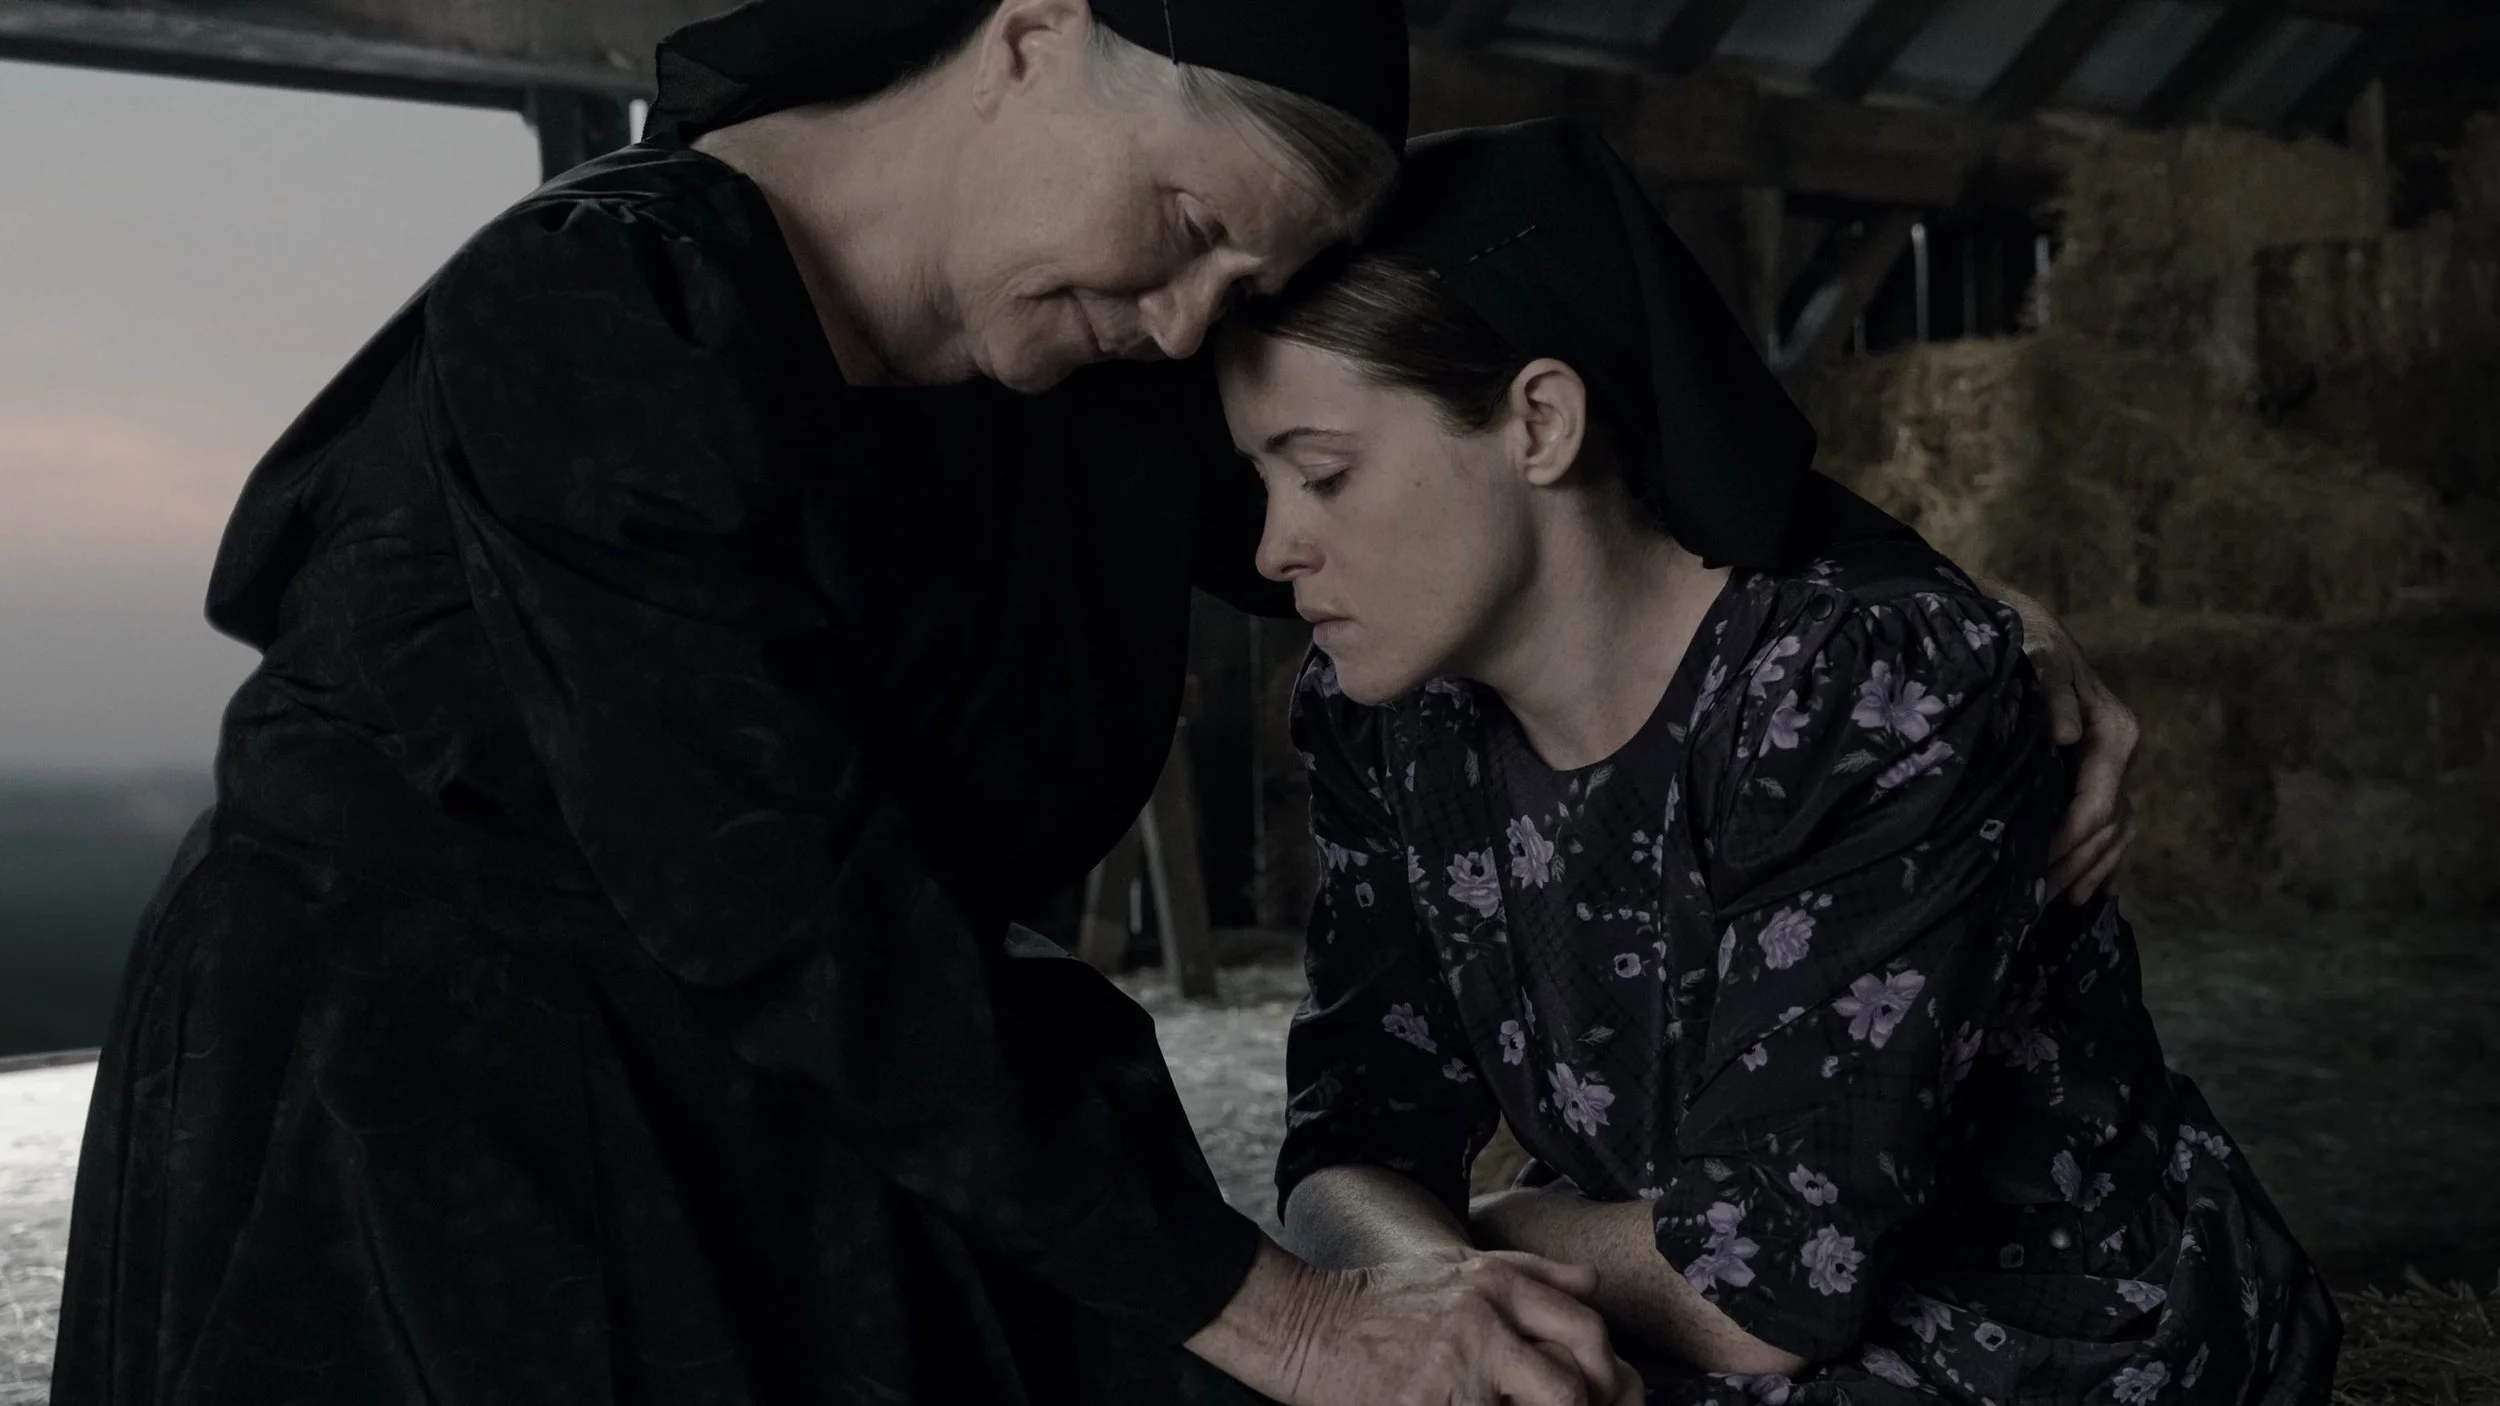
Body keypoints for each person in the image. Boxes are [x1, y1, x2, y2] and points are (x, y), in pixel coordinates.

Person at [49, 4, 1658, 1402]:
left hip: (842, 1056)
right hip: (422, 1101)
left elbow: (1447, 510)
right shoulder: (597, 311)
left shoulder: (1097, 357)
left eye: (1249, 276)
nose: (1189, 318)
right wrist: (1291, 1316)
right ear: (1032, 40)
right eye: (1184, 213)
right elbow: (772, 892)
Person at [1215, 120, 2338, 1404]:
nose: (1270, 548)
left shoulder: (1859, 693)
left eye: (1323, 474)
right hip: (1655, 1298)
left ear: (1539, 419)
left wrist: (1499, 1234)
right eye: (1260, 482)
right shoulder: (1389, 714)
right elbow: (1351, 1147)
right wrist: (1438, 1296)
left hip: (2039, 1336)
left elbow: (1766, 1289)